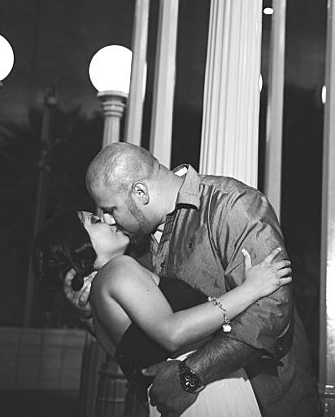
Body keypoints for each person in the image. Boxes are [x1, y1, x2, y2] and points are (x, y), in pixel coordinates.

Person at [72, 142, 320, 416]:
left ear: (140, 193)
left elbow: (271, 310)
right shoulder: (132, 246)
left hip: (273, 402)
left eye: (110, 209)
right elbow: (141, 342)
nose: (107, 220)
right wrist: (94, 317)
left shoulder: (232, 204)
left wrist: (190, 374)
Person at [33, 208, 292, 416]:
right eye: (95, 220)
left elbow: (136, 367)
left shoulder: (98, 309)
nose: (109, 220)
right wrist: (252, 288)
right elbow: (172, 332)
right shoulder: (118, 270)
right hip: (206, 395)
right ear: (78, 245)